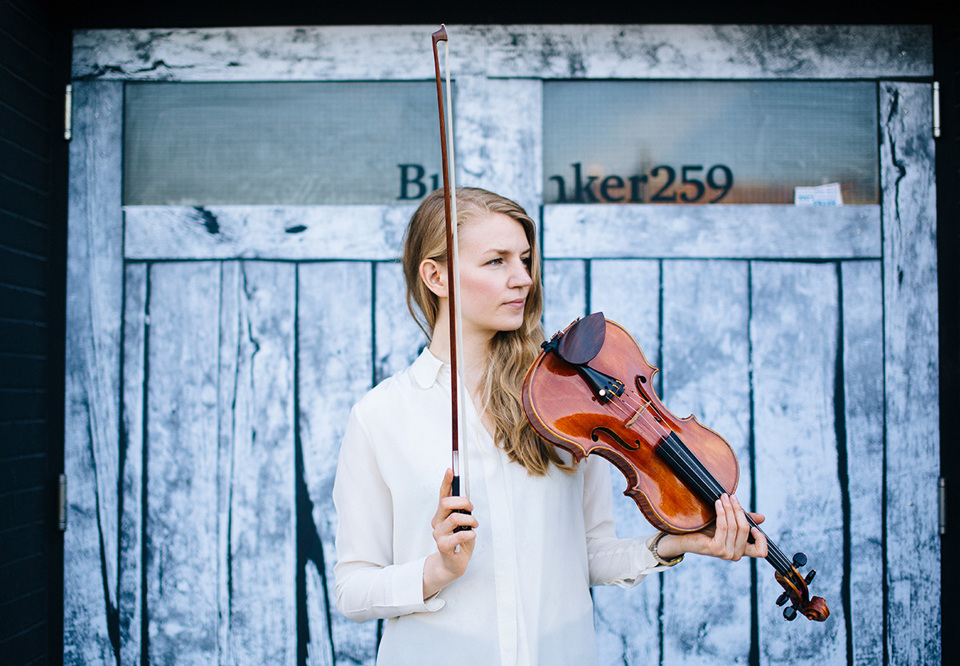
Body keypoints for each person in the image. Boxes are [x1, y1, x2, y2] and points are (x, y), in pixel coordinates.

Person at [332, 187, 768, 665]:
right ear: (436, 275)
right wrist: (438, 569)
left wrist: (671, 543)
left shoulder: (568, 404)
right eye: (496, 262)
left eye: (524, 259)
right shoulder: (381, 416)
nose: (522, 278)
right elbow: (352, 589)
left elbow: (590, 553)